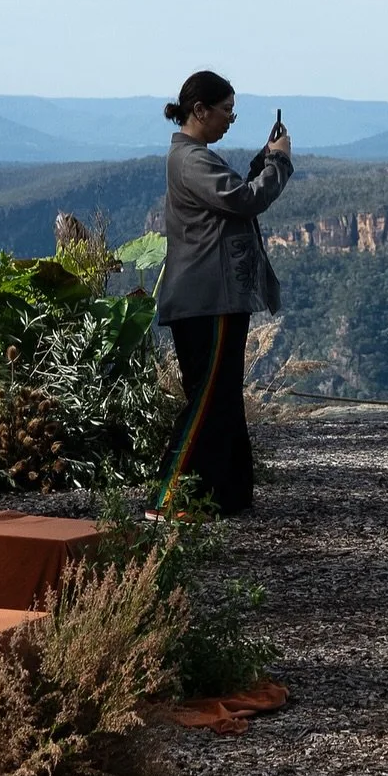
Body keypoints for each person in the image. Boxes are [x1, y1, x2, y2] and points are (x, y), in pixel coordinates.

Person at [154, 71, 292, 514]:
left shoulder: (195, 158)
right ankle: (171, 497)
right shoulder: (193, 161)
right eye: (226, 110)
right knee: (209, 400)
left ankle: (226, 496)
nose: (230, 120)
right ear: (200, 110)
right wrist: (279, 165)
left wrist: (260, 162)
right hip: (206, 299)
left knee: (223, 397)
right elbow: (244, 201)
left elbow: (231, 196)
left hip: (213, 299)